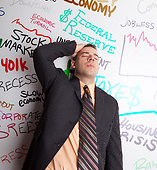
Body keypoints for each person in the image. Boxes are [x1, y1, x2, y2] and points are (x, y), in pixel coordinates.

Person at [22, 40, 123, 170]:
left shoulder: (110, 103)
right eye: (85, 55)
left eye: (95, 57)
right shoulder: (58, 84)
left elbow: (113, 153)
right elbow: (42, 54)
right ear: (73, 64)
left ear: (98, 67)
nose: (91, 57)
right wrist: (73, 47)